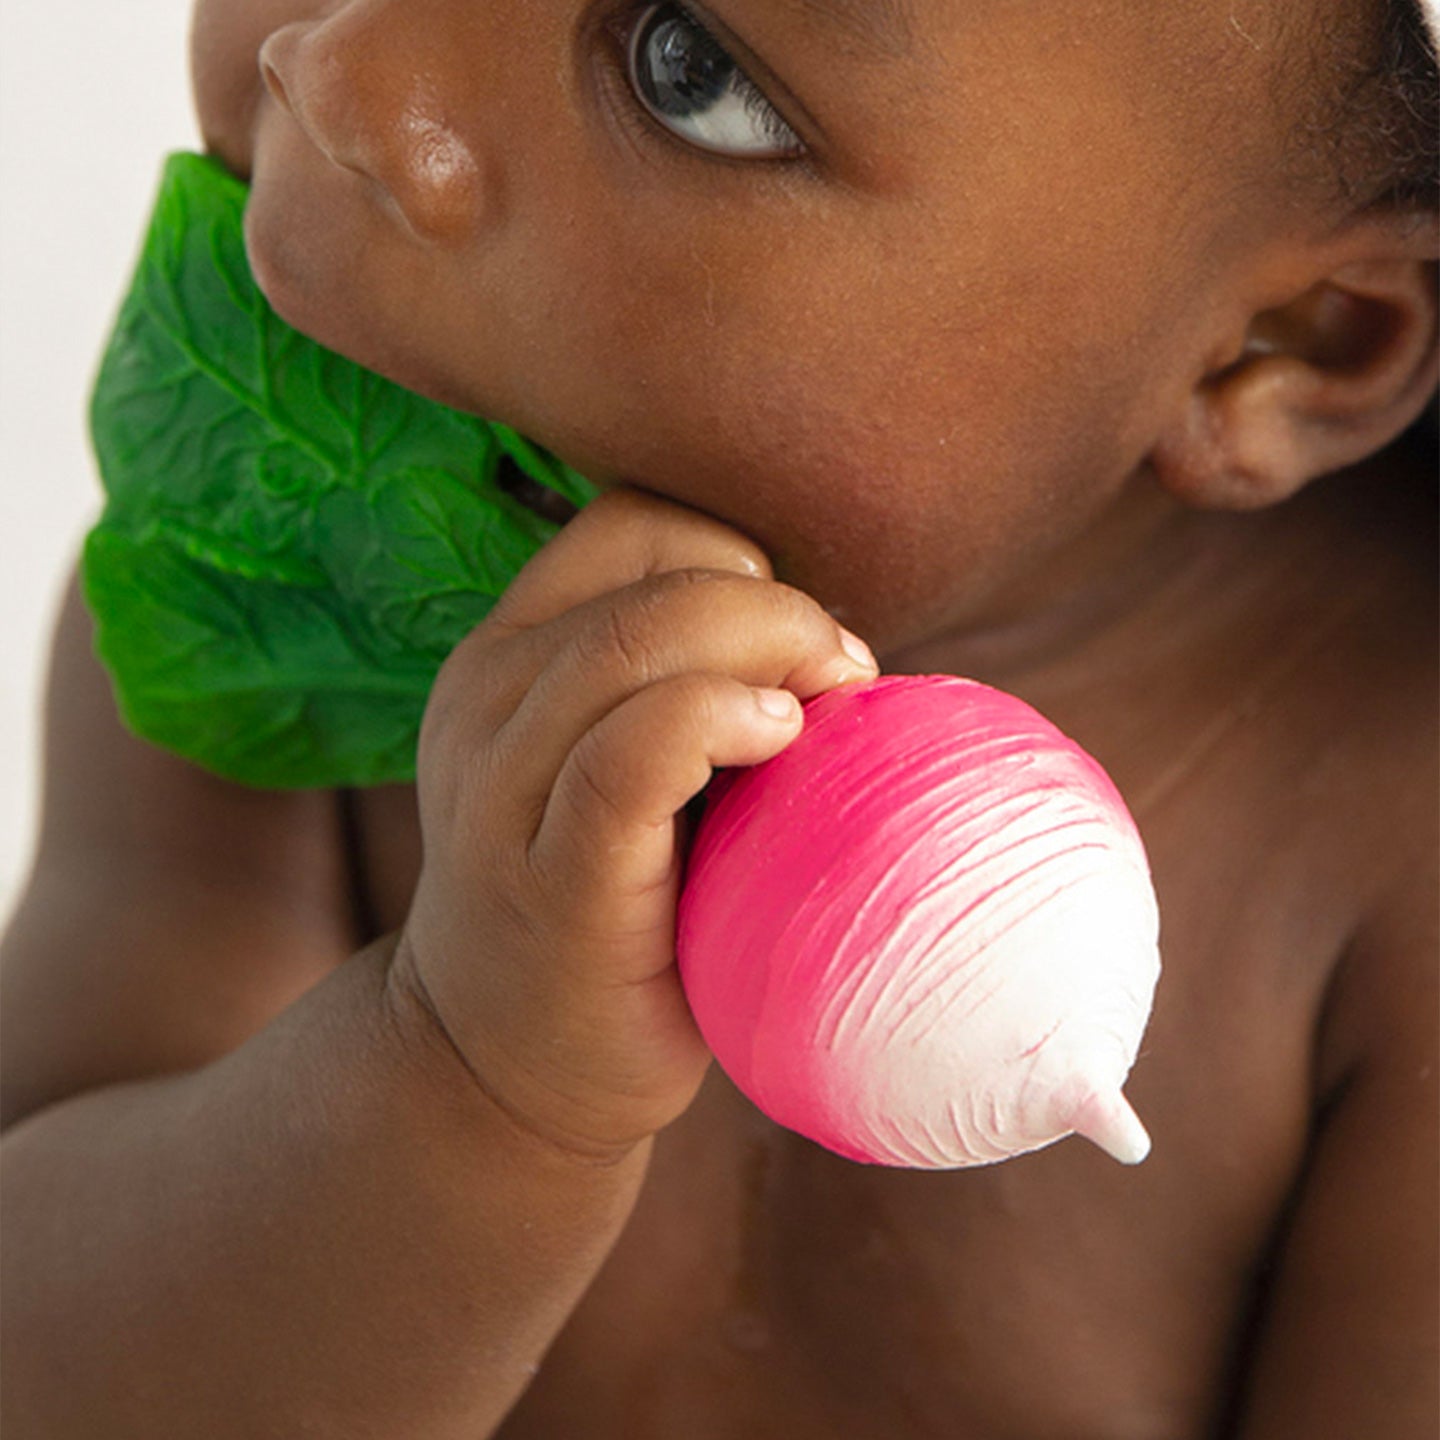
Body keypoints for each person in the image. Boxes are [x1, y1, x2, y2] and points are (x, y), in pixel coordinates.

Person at [2, 0, 1436, 1435]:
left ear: (1283, 344)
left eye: (690, 73)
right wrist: (466, 1080)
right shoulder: (266, 615)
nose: (344, 76)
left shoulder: (1393, 833)